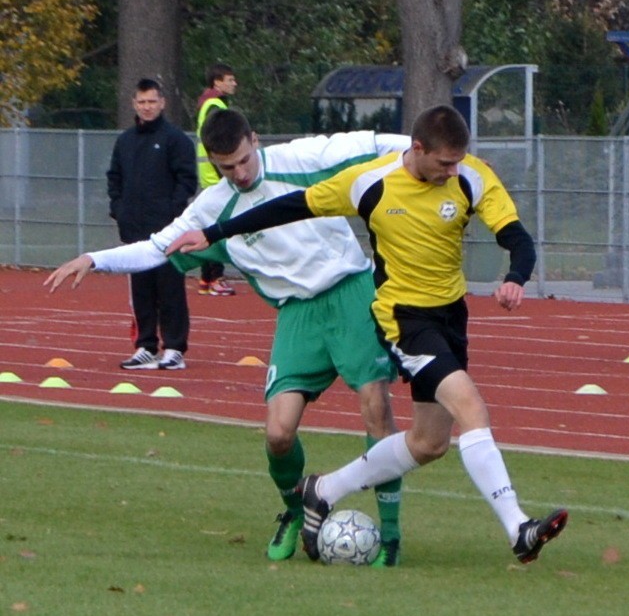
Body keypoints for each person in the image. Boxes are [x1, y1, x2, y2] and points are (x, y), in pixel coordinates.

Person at [166, 104, 569, 565]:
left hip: (451, 316)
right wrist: (214, 231)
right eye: (444, 163)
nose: (452, 172)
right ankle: (518, 526)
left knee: (429, 443)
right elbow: (289, 207)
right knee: (471, 408)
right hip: (403, 319)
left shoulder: (471, 176)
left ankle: (324, 488)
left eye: (458, 161)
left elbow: (516, 235)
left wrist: (516, 274)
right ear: (418, 149)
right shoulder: (370, 182)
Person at [45, 109, 411, 567]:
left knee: (376, 406)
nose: (238, 174)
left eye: (242, 161)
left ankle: (391, 538)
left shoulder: (301, 159)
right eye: (225, 167)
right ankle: (297, 512)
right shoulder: (211, 207)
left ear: (254, 141)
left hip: (350, 292)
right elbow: (156, 248)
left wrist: (439, 158)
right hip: (297, 314)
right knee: (278, 434)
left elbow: (378, 144)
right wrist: (94, 258)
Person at [107, 78, 197, 370]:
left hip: (167, 232)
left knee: (169, 289)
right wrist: (119, 211)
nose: (147, 107)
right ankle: (145, 345)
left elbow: (186, 181)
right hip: (134, 230)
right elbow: (114, 179)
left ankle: (173, 349)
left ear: (162, 103)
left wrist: (171, 213)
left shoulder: (177, 140)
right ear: (134, 104)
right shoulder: (126, 141)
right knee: (141, 292)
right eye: (142, 102)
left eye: (152, 101)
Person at [195, 63, 238, 296]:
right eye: (230, 80)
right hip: (215, 177)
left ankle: (205, 279)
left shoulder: (207, 103)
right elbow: (218, 142)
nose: (234, 84)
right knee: (218, 229)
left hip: (209, 176)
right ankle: (215, 278)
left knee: (210, 227)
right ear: (217, 82)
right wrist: (225, 172)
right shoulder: (215, 106)